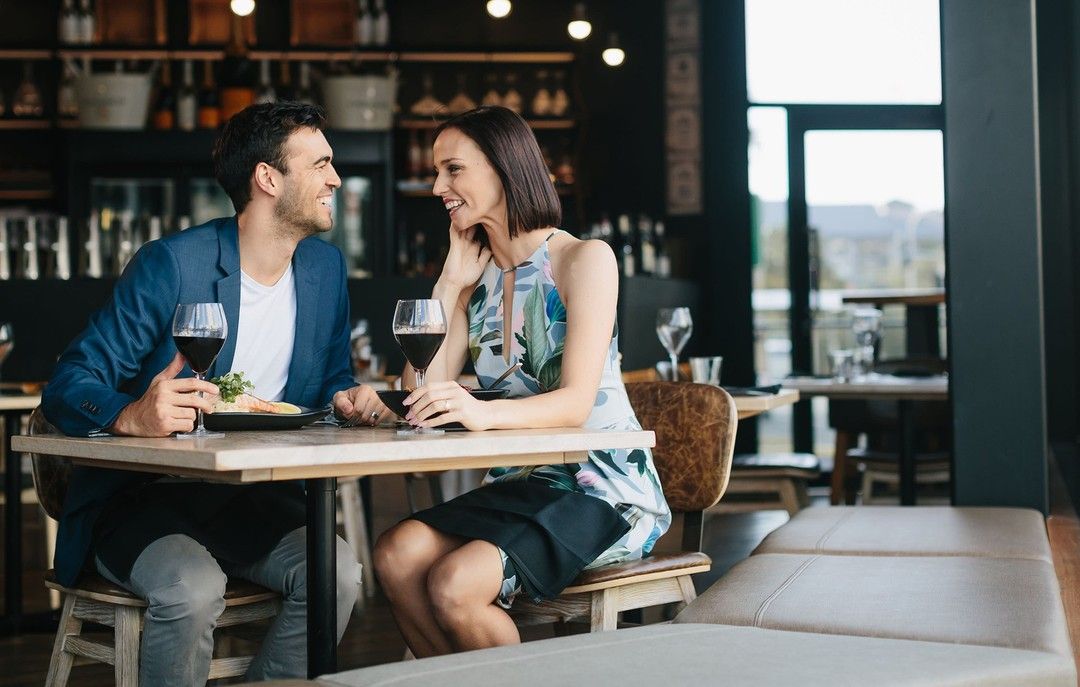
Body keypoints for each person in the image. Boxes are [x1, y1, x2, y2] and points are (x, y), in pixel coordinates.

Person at [42, 101, 391, 685]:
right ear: (268, 178)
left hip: (242, 498)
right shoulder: (174, 264)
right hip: (141, 497)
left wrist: (346, 397)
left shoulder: (325, 271)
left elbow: (329, 379)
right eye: (322, 164)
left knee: (337, 574)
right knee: (194, 589)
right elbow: (68, 382)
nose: (335, 178)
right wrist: (131, 415)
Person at [373, 106, 671, 657]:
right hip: (520, 488)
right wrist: (447, 283)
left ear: (503, 169)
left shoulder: (583, 259)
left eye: (453, 170)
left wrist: (478, 411)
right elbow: (416, 396)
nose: (438, 185)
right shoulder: (474, 278)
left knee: (455, 584)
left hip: (602, 489)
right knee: (397, 551)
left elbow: (576, 402)